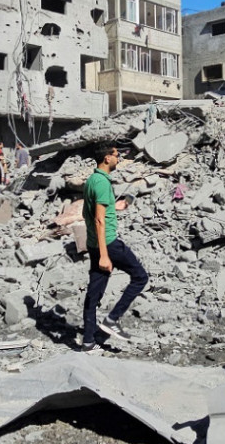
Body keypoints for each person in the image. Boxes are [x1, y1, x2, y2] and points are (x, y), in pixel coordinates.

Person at [81, 144, 148, 352]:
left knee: (94, 292)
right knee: (140, 277)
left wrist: (116, 206)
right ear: (107, 158)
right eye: (116, 155)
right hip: (108, 243)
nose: (118, 159)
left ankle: (88, 341)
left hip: (95, 243)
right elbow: (99, 220)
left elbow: (91, 212)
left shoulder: (93, 180)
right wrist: (104, 255)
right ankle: (112, 319)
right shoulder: (102, 184)